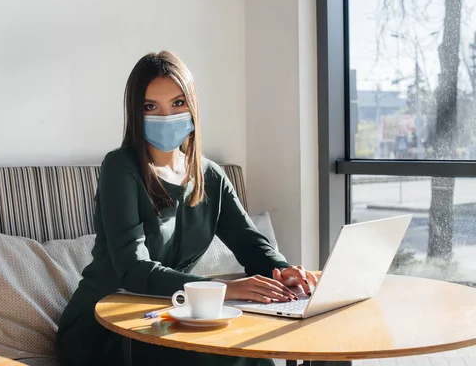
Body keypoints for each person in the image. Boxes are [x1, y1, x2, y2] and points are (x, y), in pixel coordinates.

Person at [57, 51, 318, 366]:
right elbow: (134, 270)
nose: (166, 117)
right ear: (135, 114)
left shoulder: (209, 175)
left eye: (178, 103)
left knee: (253, 354)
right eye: (150, 107)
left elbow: (252, 245)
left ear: (193, 106)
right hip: (106, 326)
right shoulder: (120, 168)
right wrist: (226, 289)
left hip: (171, 314)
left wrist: (284, 272)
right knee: (228, 358)